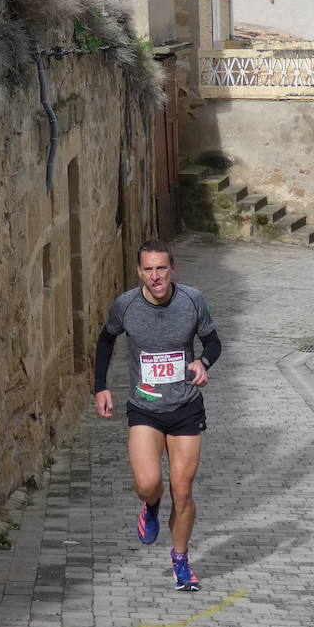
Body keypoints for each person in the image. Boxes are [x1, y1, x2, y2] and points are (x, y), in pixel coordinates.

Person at [93, 240, 221, 591]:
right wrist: (100, 386)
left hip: (185, 408)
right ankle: (150, 506)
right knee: (149, 484)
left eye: (161, 268)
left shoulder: (192, 300)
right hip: (145, 409)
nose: (155, 276)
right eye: (148, 270)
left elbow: (213, 342)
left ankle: (181, 561)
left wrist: (202, 362)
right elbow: (105, 341)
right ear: (139, 272)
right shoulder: (126, 305)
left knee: (183, 493)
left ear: (172, 269)